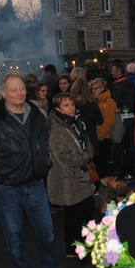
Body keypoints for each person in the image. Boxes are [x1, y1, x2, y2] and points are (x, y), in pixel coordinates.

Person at [0, 72, 69, 268]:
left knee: (47, 232)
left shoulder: (37, 115)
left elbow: (45, 141)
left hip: (35, 185)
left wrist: (44, 162)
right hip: (7, 189)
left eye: (22, 88)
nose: (19, 93)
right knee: (13, 236)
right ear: (3, 93)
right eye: (13, 90)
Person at [47, 92, 95, 258]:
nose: (71, 108)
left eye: (72, 104)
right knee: (75, 214)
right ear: (58, 109)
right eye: (66, 105)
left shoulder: (75, 123)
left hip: (80, 174)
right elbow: (64, 157)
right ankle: (73, 248)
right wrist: (86, 156)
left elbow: (88, 144)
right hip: (68, 178)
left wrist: (88, 153)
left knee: (86, 209)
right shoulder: (57, 129)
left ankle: (84, 243)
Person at [110, 62, 135, 178]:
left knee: (120, 145)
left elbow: (115, 102)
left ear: (118, 72)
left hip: (122, 117)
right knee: (130, 145)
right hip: (130, 116)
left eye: (113, 70)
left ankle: (122, 170)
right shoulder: (129, 82)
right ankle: (133, 169)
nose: (111, 73)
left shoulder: (118, 85)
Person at [91, 77, 117, 178]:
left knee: (103, 164)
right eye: (92, 88)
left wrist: (100, 135)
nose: (93, 91)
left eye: (96, 88)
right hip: (98, 137)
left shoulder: (108, 101)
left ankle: (106, 182)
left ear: (102, 88)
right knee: (99, 164)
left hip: (105, 137)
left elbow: (109, 122)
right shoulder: (96, 101)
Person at [70, 77, 103, 156]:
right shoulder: (92, 103)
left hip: (74, 136)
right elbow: (100, 121)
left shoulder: (70, 104)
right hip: (90, 136)